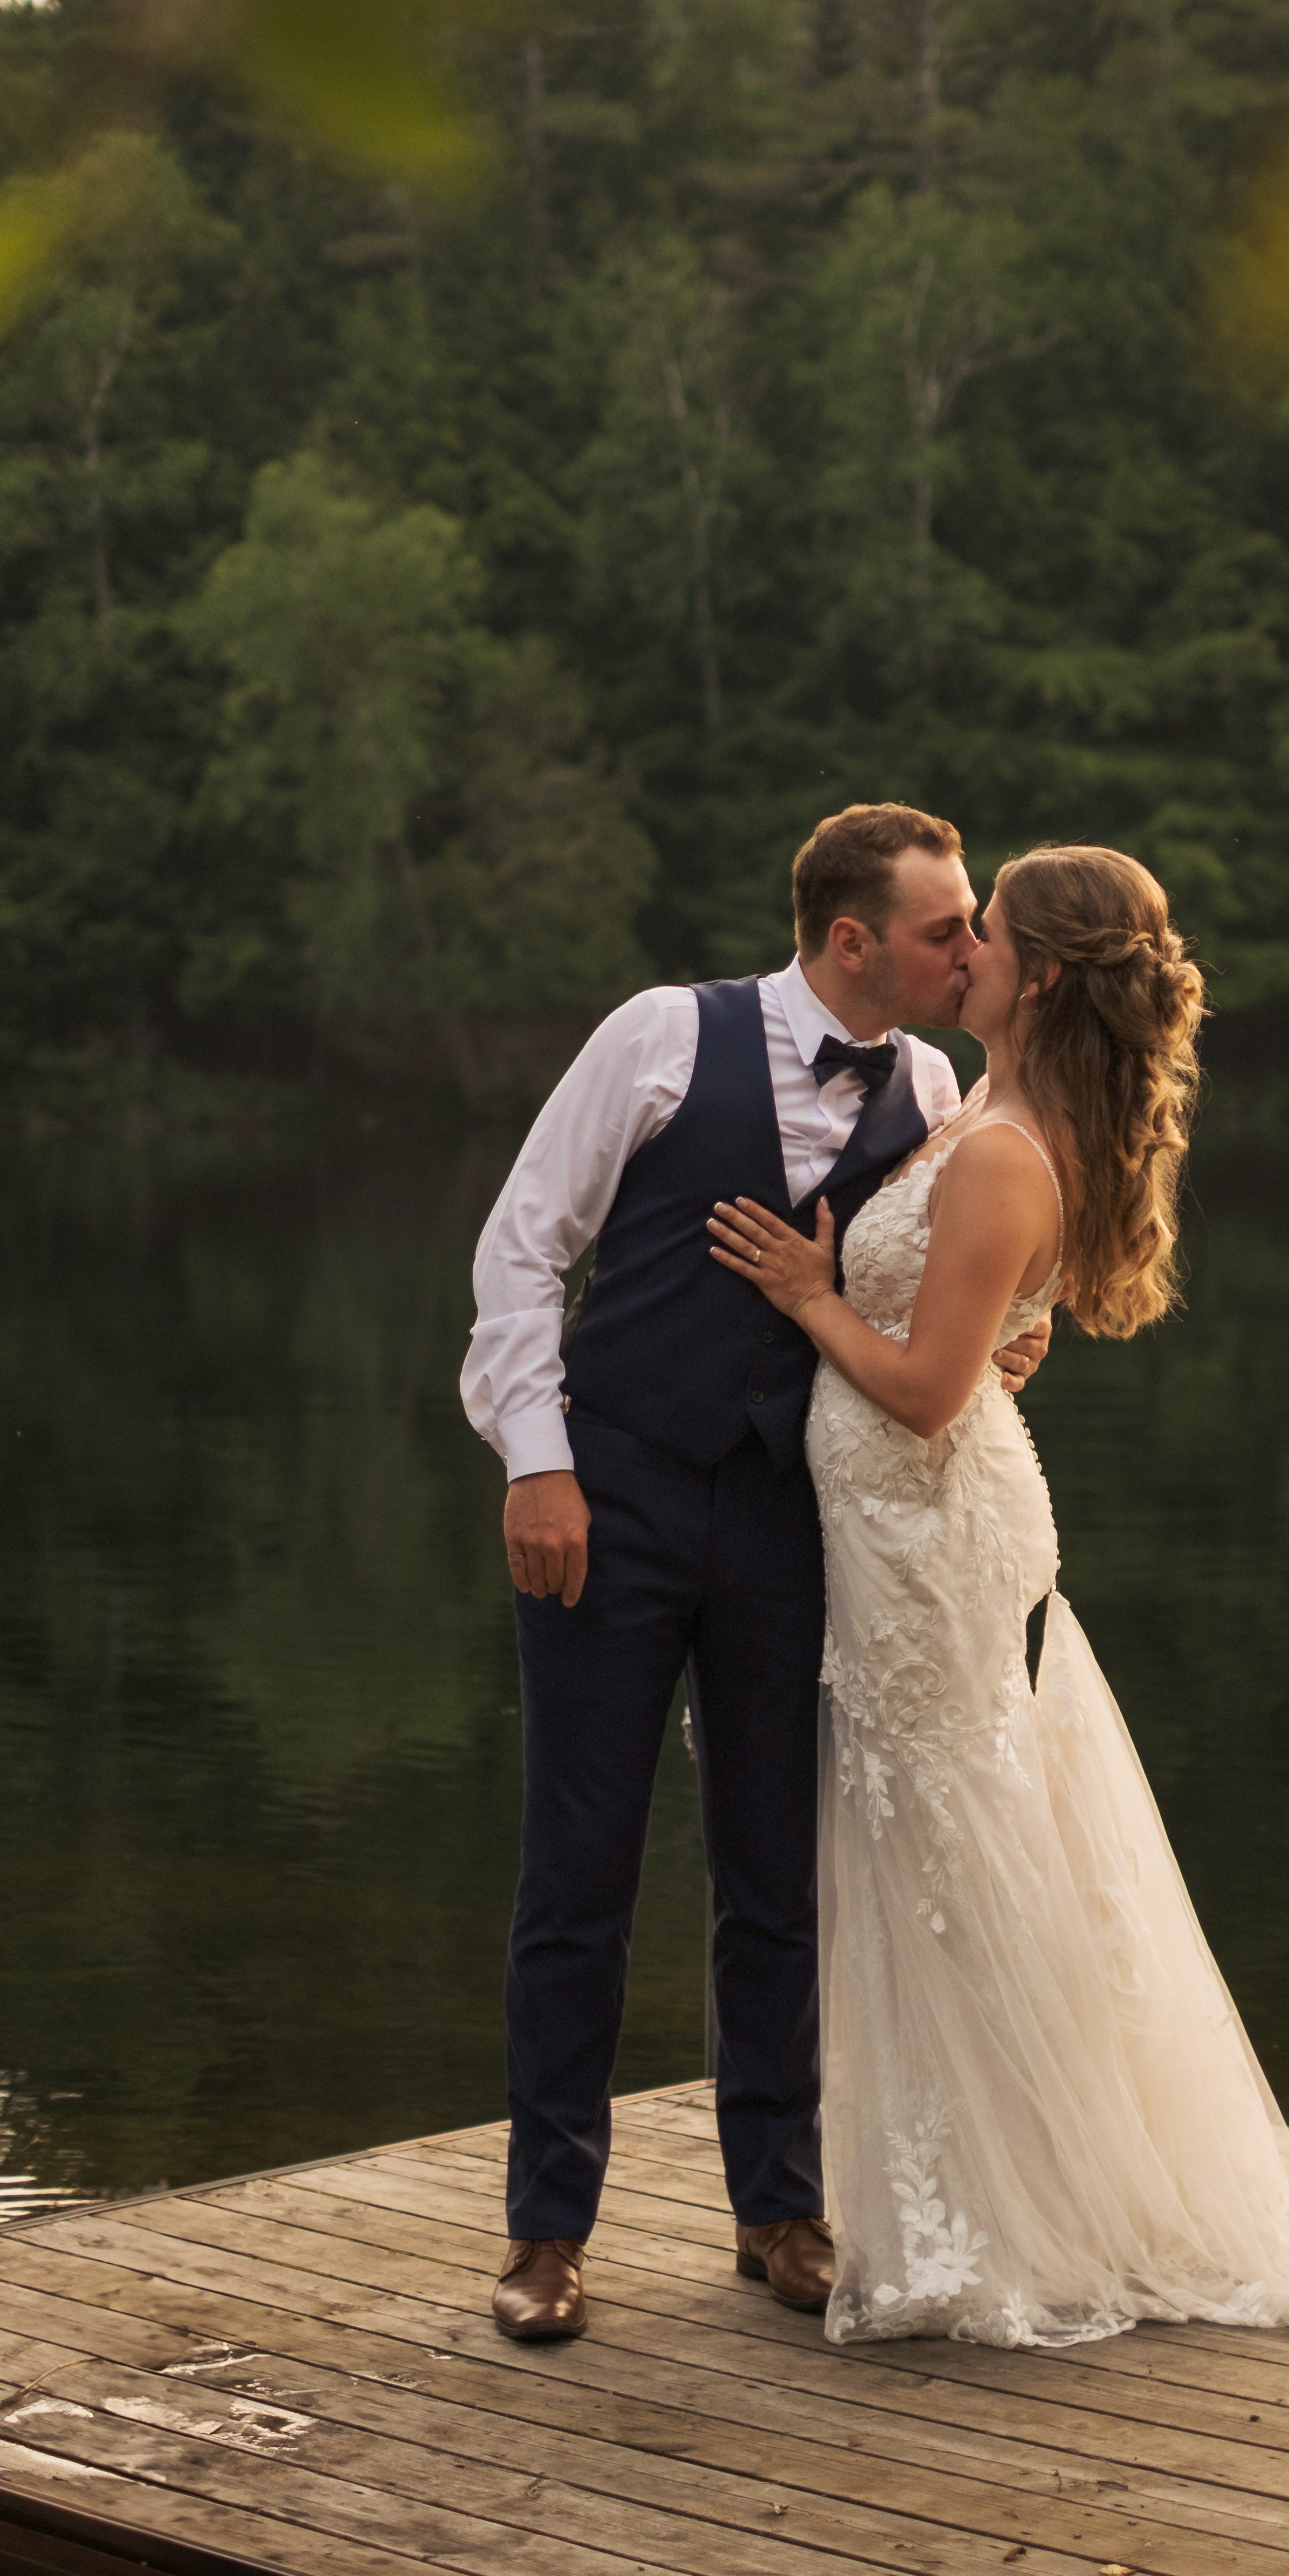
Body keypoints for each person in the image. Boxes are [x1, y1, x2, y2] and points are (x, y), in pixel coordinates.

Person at [708, 843, 1289, 2347]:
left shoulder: (1007, 1147)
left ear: (1036, 973)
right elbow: (990, 1327)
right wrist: (963, 1320)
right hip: (906, 1528)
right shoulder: (985, 1115)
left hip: (925, 1528)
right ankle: (963, 2179)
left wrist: (807, 1294)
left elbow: (922, 1387)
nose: (957, 949)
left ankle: (1019, 2202)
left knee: (949, 1846)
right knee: (936, 1842)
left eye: (985, 933)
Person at [459, 804, 1049, 2343]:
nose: (970, 946)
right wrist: (538, 1457)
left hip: (800, 1522)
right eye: (945, 927)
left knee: (778, 1871)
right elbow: (523, 1246)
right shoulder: (660, 1036)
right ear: (852, 938)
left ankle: (780, 2206)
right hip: (618, 1494)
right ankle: (546, 2231)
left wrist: (1000, 1350)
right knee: (578, 1869)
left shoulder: (930, 1082)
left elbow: (950, 1291)